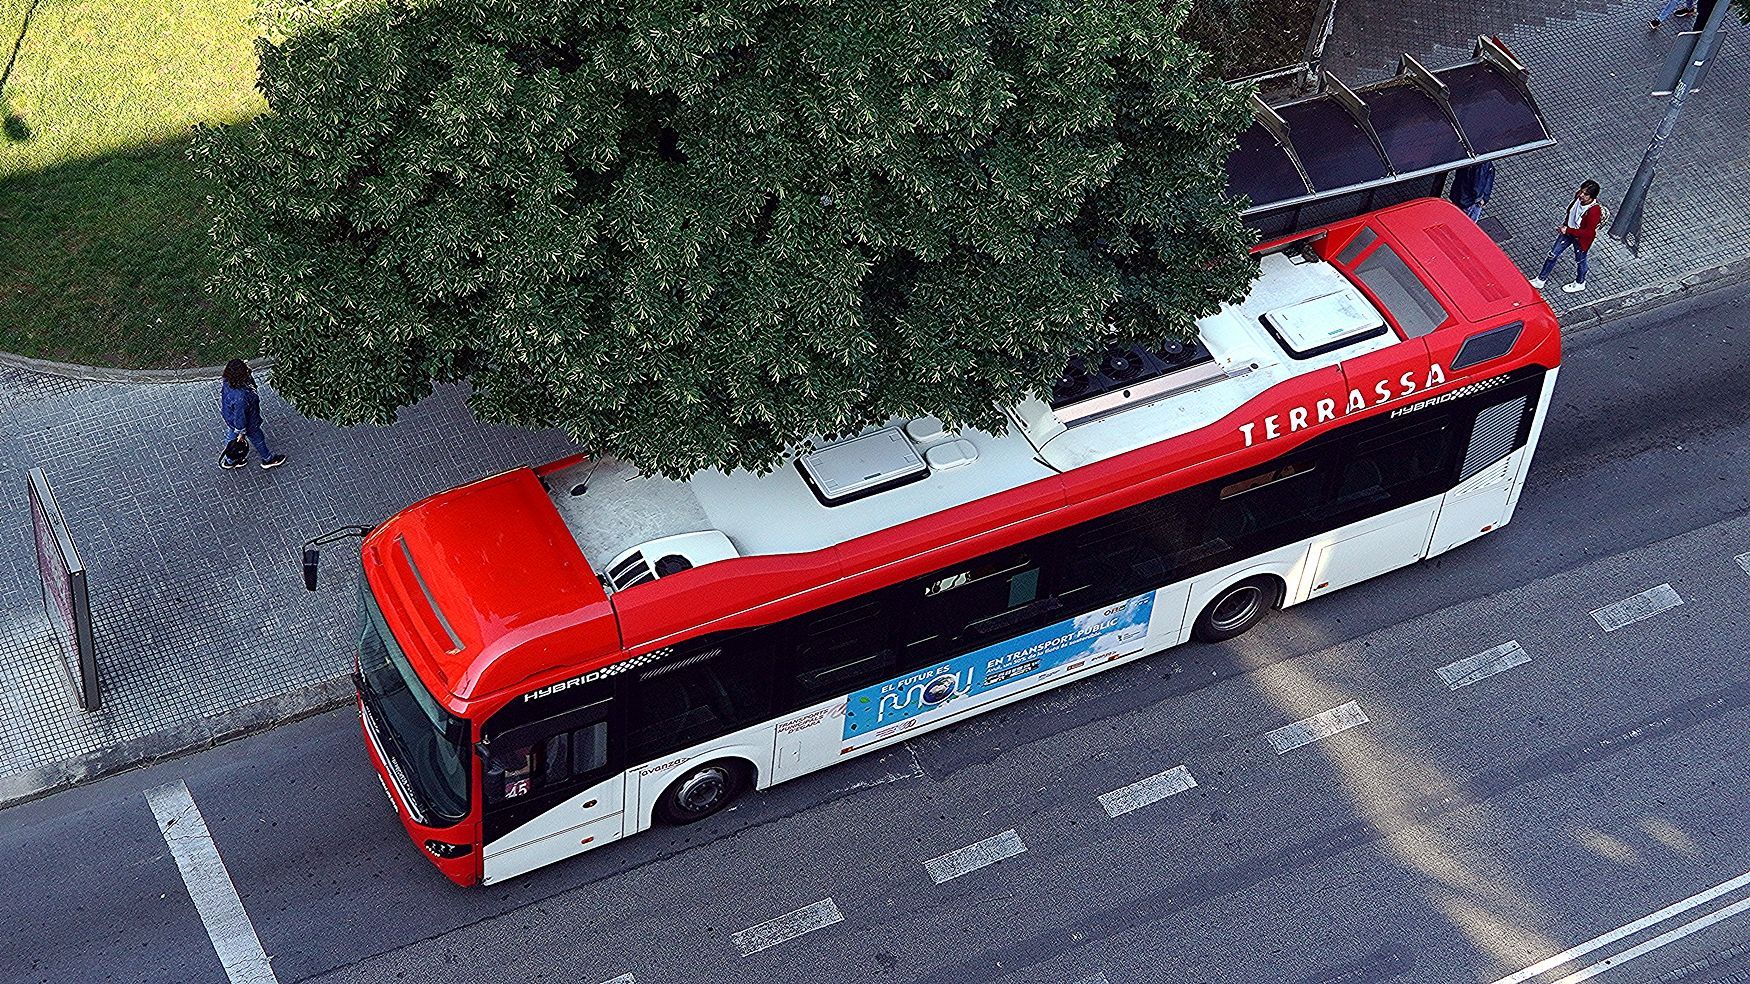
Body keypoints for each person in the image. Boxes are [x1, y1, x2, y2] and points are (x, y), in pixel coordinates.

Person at [1530, 180, 1605, 294]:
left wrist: (1568, 230)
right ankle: (1540, 280)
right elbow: (1571, 211)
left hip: (1580, 239)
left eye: (1585, 194)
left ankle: (1580, 283)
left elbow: (1589, 233)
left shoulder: (1594, 211)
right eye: (1581, 191)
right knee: (1552, 254)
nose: (1581, 195)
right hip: (1568, 232)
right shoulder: (1578, 197)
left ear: (1592, 197)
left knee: (1580, 260)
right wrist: (1565, 225)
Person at [219, 359, 286, 470]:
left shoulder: (228, 382)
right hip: (248, 423)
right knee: (258, 439)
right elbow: (240, 417)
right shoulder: (241, 397)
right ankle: (268, 459)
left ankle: (230, 460)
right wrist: (241, 432)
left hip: (231, 418)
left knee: (231, 437)